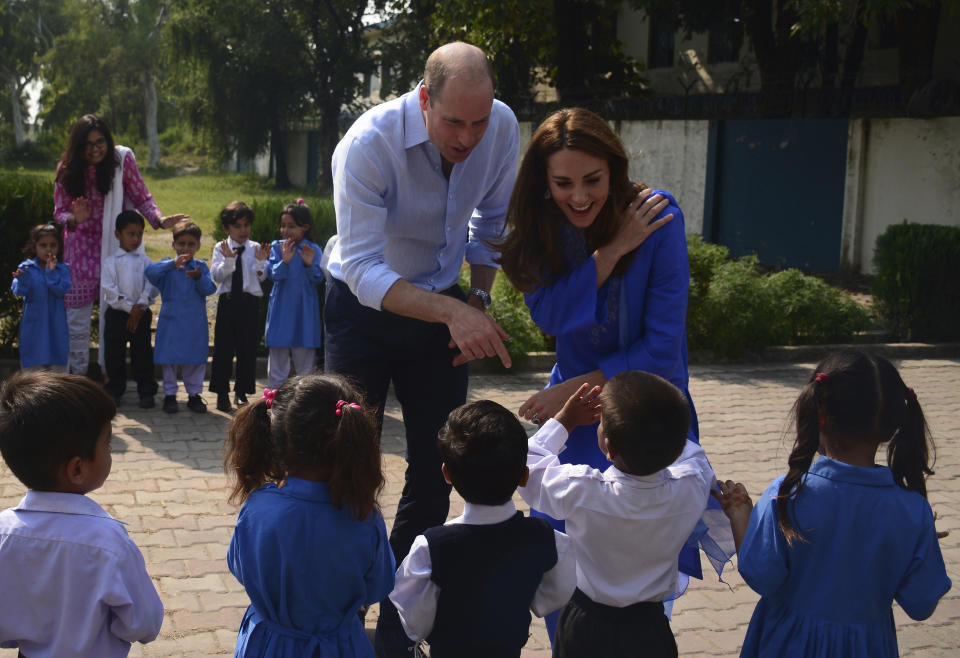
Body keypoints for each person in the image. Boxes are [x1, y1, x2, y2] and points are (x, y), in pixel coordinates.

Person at [325, 41, 519, 656]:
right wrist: (454, 311)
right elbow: (359, 267)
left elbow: (492, 226)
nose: (468, 137)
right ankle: (338, 606)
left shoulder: (503, 126)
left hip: (442, 309)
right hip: (361, 311)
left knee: (437, 471)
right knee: (347, 464)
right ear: (423, 99)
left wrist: (478, 305)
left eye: (479, 120)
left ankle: (398, 618)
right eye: (454, 122)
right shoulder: (369, 143)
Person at [497, 107, 712, 636]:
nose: (579, 197)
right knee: (562, 564)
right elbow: (548, 314)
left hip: (643, 412)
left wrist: (575, 386)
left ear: (614, 169)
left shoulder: (659, 217)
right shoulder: (544, 226)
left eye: (593, 180)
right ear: (543, 182)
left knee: (640, 580)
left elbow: (663, 352)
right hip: (573, 419)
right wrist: (612, 251)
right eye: (563, 183)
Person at [713, 350, 951, 658]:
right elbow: (921, 604)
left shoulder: (786, 494)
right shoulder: (912, 511)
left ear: (818, 412)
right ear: (895, 420)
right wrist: (921, 541)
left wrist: (741, 516)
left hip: (786, 644)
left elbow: (762, 577)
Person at [518, 372, 718, 658]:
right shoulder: (690, 487)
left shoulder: (582, 490)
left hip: (585, 626)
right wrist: (665, 433)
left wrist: (565, 421)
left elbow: (528, 466)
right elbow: (695, 456)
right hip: (649, 630)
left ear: (609, 448)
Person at [224, 374, 395, 657]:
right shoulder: (363, 515)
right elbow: (378, 586)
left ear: (275, 438)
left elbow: (240, 569)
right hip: (341, 646)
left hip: (268, 645)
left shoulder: (258, 508)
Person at [389, 400, 576, 658]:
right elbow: (552, 597)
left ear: (446, 474)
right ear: (524, 476)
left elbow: (414, 621)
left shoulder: (431, 547)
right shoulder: (546, 538)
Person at [0, 371, 164, 656]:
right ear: (77, 469)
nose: (110, 451)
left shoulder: (4, 533)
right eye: (107, 444)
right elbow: (145, 624)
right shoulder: (109, 542)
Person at [53, 114, 187, 377]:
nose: (95, 149)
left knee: (116, 314)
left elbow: (141, 196)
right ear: (78, 147)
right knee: (77, 321)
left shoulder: (121, 162)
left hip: (116, 248)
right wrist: (73, 218)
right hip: (79, 250)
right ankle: (78, 377)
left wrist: (159, 219)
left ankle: (111, 375)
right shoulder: (66, 169)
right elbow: (58, 212)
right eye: (88, 144)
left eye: (100, 141)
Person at [145, 220, 216, 414]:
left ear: (198, 246)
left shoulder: (200, 266)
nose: (186, 248)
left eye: (191, 244)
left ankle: (194, 395)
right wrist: (171, 264)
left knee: (194, 360)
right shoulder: (166, 266)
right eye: (181, 244)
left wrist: (198, 277)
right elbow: (149, 272)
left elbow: (210, 289)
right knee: (169, 360)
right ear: (173, 244)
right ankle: (170, 395)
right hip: (171, 321)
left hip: (194, 323)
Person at [210, 201, 270, 412]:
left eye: (247, 225)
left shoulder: (254, 248)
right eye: (237, 226)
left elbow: (261, 278)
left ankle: (242, 389)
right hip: (228, 302)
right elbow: (217, 276)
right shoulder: (221, 247)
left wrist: (262, 263)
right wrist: (228, 261)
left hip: (249, 303)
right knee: (224, 349)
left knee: (247, 348)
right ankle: (221, 393)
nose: (243, 230)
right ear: (226, 228)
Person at [101, 210, 159, 408]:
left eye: (139, 234)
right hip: (117, 314)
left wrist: (139, 306)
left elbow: (151, 286)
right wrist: (129, 308)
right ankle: (115, 390)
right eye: (130, 234)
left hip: (141, 314)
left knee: (142, 352)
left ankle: (146, 391)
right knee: (114, 354)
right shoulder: (110, 262)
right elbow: (109, 291)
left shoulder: (146, 262)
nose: (136, 239)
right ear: (118, 234)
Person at [264, 199, 324, 389]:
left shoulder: (313, 250)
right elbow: (273, 275)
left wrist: (308, 264)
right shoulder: (277, 247)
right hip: (281, 309)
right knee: (277, 360)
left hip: (304, 311)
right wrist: (285, 261)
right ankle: (274, 399)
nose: (285, 230)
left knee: (305, 361)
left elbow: (318, 279)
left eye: (291, 226)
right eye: (283, 226)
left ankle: (305, 401)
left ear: (305, 227)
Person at [11, 223, 71, 372]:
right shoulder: (26, 268)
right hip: (34, 327)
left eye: (53, 245)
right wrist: (22, 280)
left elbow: (62, 290)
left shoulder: (62, 269)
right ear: (34, 247)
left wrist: (51, 273)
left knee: (58, 371)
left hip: (55, 326)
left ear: (59, 246)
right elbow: (18, 290)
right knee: (33, 371)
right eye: (43, 245)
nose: (48, 249)